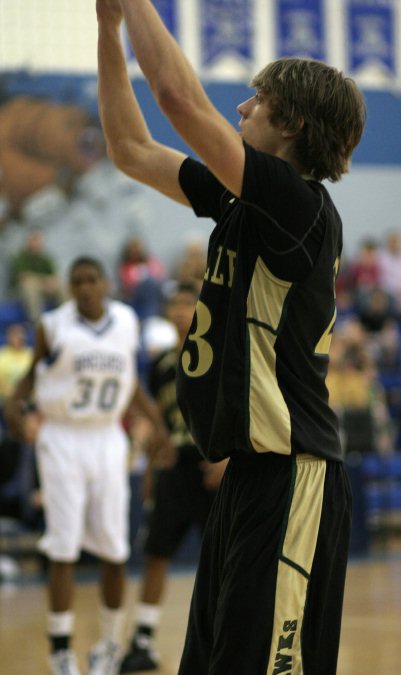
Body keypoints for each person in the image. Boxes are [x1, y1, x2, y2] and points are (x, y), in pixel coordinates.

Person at [96, 2, 366, 673]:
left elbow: (179, 101)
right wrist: (106, 34)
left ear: (292, 124)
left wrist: (132, 7)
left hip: (291, 474)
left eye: (257, 98)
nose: (241, 108)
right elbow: (130, 149)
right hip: (249, 476)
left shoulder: (297, 205)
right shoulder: (241, 201)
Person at [4, 256, 171, 675]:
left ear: (106, 283)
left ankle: (109, 646)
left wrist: (157, 424)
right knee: (63, 547)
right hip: (62, 437)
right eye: (76, 281)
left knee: (115, 549)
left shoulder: (127, 320)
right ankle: (61, 649)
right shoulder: (53, 325)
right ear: (68, 286)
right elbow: (28, 381)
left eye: (92, 279)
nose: (84, 287)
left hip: (108, 438)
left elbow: (130, 381)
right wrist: (15, 406)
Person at [120, 281, 227, 673]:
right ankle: (144, 637)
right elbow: (158, 423)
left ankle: (225, 636)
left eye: (187, 302)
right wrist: (150, 468)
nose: (181, 310)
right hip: (173, 467)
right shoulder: (163, 364)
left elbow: (235, 408)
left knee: (221, 560)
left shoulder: (220, 351)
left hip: (210, 464)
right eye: (174, 304)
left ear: (200, 307)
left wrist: (228, 459)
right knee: (156, 553)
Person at [9, 229, 64, 323]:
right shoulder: (20, 257)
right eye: (33, 241)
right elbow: (24, 277)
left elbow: (54, 276)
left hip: (43, 287)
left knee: (62, 284)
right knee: (30, 286)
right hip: (20, 291)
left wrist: (50, 282)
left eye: (37, 241)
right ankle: (36, 322)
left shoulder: (45, 259)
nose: (35, 244)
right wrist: (43, 280)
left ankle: (66, 317)